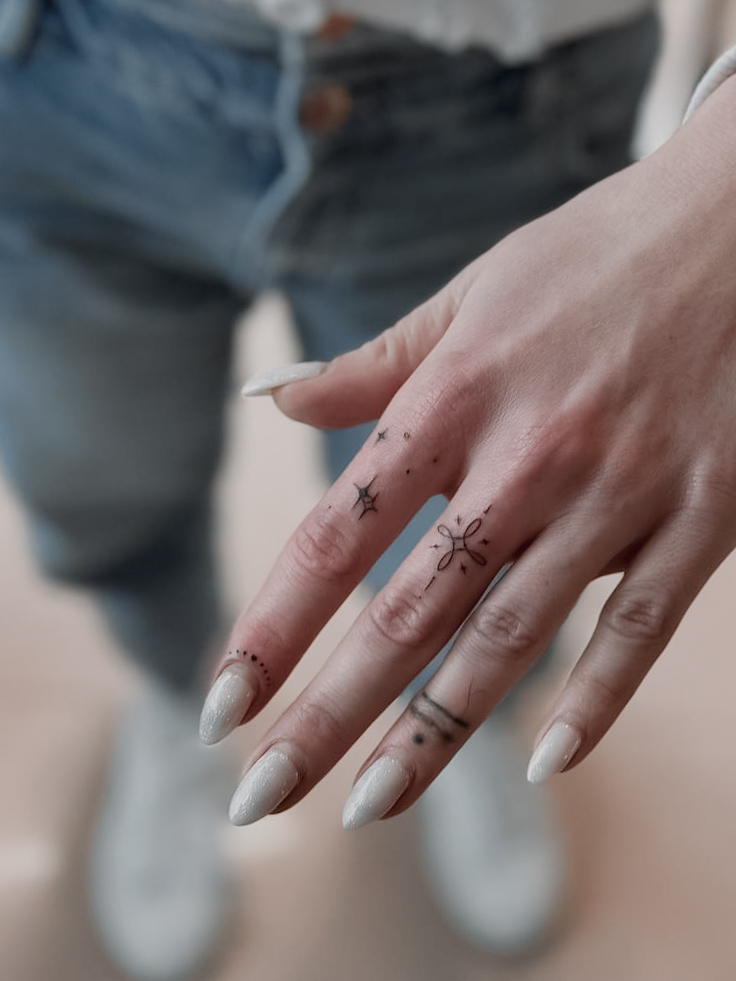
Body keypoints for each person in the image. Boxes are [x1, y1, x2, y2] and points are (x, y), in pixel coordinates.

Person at [0, 0, 690, 978]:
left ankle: (460, 715)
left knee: (471, 540)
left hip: (508, 95)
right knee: (104, 478)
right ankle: (175, 692)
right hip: (77, 69)